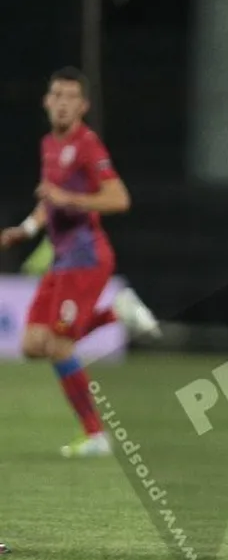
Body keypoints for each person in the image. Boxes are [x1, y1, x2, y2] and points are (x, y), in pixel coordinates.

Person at [0, 66, 160, 458]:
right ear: (46, 101)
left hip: (86, 258)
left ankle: (95, 435)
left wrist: (71, 199)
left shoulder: (88, 146)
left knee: (58, 345)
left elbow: (119, 199)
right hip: (62, 260)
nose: (63, 103)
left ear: (83, 106)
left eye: (71, 97)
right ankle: (116, 313)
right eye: (57, 95)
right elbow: (49, 200)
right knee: (32, 344)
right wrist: (26, 229)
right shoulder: (48, 145)